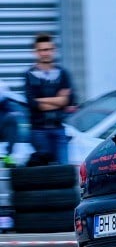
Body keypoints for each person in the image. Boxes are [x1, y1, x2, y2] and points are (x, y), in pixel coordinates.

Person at [23, 33, 74, 165]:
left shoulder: (62, 74)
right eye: (41, 50)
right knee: (43, 174)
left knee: (63, 171)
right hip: (39, 132)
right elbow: (33, 104)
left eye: (48, 49)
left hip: (59, 129)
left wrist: (41, 99)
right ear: (35, 52)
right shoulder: (30, 75)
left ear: (53, 50)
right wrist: (57, 100)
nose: (45, 53)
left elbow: (67, 101)